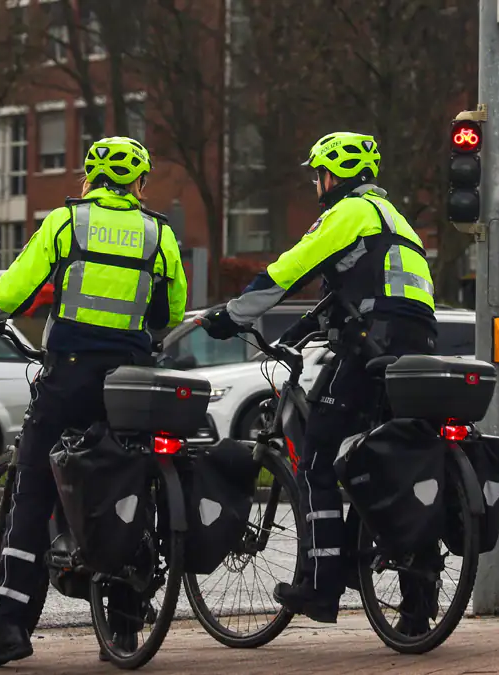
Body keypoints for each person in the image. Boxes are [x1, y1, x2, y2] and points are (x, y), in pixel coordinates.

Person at [0, 136, 187, 668]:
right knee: (129, 480)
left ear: (90, 177)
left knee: (32, 484)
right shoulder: (158, 232)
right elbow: (171, 308)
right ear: (139, 184)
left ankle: (9, 626)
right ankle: (124, 621)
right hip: (130, 378)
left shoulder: (66, 222)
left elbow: (12, 292)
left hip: (70, 373)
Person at [199, 131, 439, 635]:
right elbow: (341, 296)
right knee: (397, 461)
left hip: (373, 343)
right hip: (414, 347)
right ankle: (419, 600)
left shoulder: (345, 214)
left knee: (315, 460)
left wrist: (233, 313)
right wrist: (293, 333)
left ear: (336, 176)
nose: (316, 183)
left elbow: (289, 269)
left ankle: (322, 584)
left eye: (319, 174)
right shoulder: (395, 221)